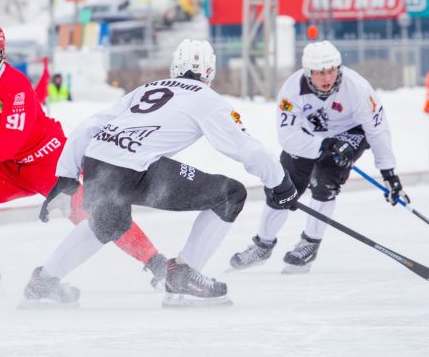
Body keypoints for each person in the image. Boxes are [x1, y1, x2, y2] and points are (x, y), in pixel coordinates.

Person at [21, 39, 298, 307]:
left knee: (107, 224)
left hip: (97, 163)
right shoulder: (207, 98)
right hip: (135, 169)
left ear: (174, 68)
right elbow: (246, 148)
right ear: (209, 73)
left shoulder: (146, 88)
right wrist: (280, 182)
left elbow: (89, 125)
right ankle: (183, 275)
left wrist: (67, 176)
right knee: (230, 194)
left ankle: (43, 281)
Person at [0, 23, 166, 287]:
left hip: (49, 163)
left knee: (98, 216)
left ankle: (156, 262)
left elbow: (10, 140)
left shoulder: (15, 84)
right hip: (7, 167)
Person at [230, 40, 410, 274]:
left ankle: (310, 243)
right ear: (308, 73)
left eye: (331, 71)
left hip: (350, 135)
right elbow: (287, 136)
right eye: (320, 73)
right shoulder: (291, 90)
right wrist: (323, 144)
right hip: (310, 137)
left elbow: (377, 129)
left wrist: (389, 173)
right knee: (281, 187)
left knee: (324, 182)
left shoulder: (357, 88)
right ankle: (262, 244)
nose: (327, 78)